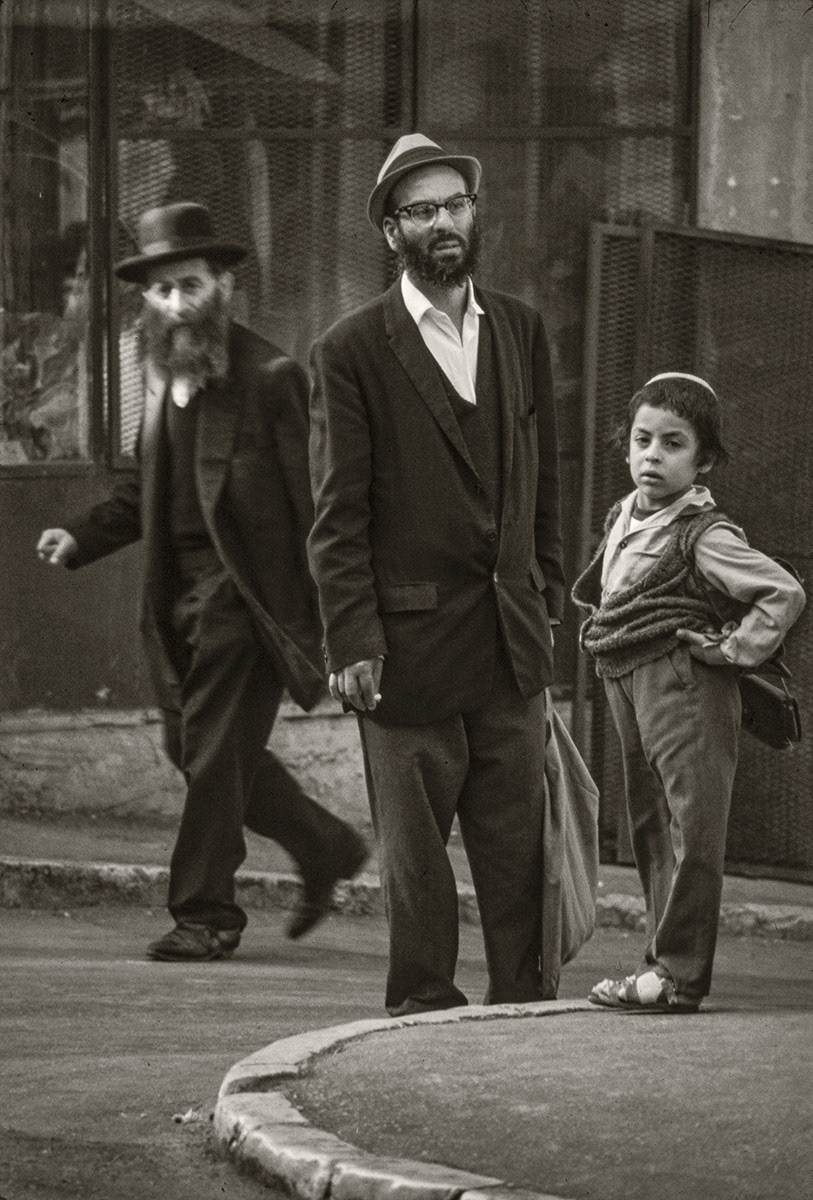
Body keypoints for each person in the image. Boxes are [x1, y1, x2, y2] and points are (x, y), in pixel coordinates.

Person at [36, 201, 367, 962]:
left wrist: (333, 618)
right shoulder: (159, 376)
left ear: (221, 284)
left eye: (189, 286)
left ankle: (206, 915)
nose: (175, 304)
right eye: (159, 292)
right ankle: (326, 845)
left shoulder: (272, 376)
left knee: (215, 757)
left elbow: (316, 505)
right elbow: (141, 492)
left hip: (245, 603)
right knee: (196, 749)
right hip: (172, 600)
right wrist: (81, 535)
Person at [307, 134, 565, 1016]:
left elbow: (547, 478)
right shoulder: (350, 351)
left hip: (509, 641)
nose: (445, 222)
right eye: (422, 210)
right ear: (390, 232)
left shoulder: (521, 329)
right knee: (418, 864)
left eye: (456, 205)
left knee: (516, 846)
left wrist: (546, 592)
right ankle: (422, 1010)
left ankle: (523, 1006)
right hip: (405, 652)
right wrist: (352, 638)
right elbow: (337, 514)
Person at [572, 372, 805, 1013]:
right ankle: (661, 963)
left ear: (702, 460)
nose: (652, 455)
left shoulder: (705, 533)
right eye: (642, 439)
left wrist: (732, 651)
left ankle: (678, 974)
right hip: (627, 676)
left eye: (673, 444)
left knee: (690, 828)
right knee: (650, 825)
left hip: (683, 683)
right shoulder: (625, 513)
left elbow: (781, 593)